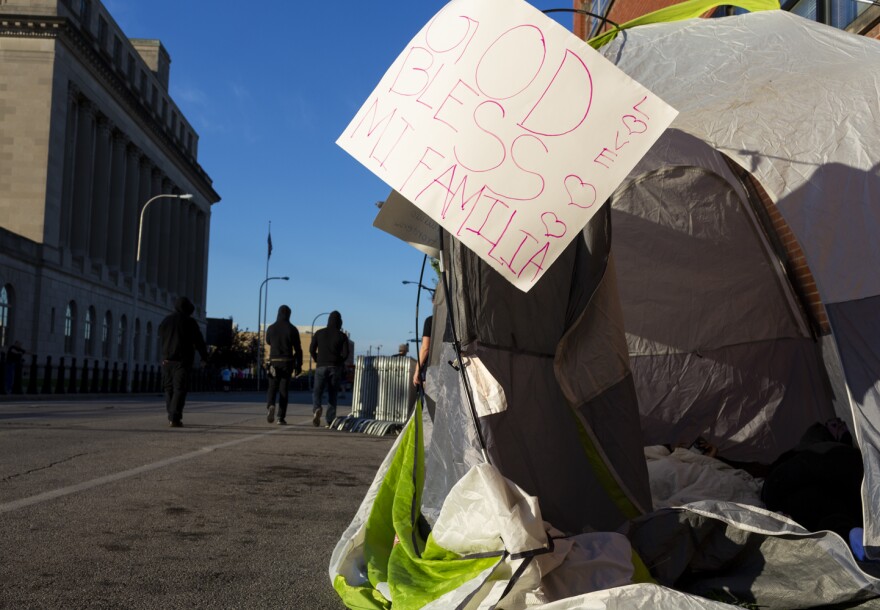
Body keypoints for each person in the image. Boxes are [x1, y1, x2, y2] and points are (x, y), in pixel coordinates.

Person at [158, 296, 208, 427]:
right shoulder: (190, 322)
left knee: (168, 388)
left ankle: (171, 414)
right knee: (179, 388)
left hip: (167, 360)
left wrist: (163, 357)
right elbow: (199, 342)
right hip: (182, 360)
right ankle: (174, 417)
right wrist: (204, 357)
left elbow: (162, 340)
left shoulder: (166, 321)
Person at [309, 310, 349, 427]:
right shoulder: (342, 336)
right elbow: (346, 353)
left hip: (321, 366)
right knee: (332, 394)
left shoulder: (319, 333)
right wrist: (339, 361)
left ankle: (317, 408)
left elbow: (311, 349)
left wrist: (317, 359)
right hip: (335, 367)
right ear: (340, 322)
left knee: (317, 391)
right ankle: (330, 420)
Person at [264, 304, 302, 425]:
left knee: (272, 387)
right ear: (289, 315)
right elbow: (298, 349)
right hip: (287, 362)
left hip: (274, 362)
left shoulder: (271, 328)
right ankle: (280, 417)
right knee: (283, 390)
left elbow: (268, 341)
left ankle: (270, 405)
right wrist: (298, 365)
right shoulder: (292, 329)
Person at [412, 315, 432, 387]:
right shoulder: (455, 319)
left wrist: (417, 371)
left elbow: (425, 348)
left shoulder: (431, 320)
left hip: (433, 370)